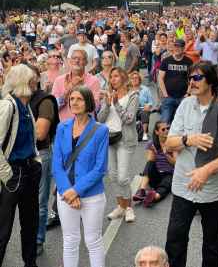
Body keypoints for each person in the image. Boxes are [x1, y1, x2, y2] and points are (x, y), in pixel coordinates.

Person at [164, 61, 218, 267]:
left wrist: (206, 170)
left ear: (210, 81)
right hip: (184, 187)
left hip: (214, 189)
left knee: (212, 244)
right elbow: (169, 142)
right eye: (190, 78)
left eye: (197, 77)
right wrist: (188, 139)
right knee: (175, 241)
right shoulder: (185, 104)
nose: (192, 81)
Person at [52, 86, 109, 267]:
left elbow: (100, 168)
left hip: (92, 195)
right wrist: (67, 191)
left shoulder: (101, 130)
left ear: (88, 102)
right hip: (65, 193)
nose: (74, 103)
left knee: (93, 241)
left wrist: (75, 190)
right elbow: (57, 164)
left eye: (79, 99)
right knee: (69, 240)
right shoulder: (62, 127)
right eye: (72, 99)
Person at [0, 64, 41, 267]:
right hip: (13, 173)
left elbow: (31, 141)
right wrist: (7, 174)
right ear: (24, 81)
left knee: (30, 224)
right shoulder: (8, 105)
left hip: (29, 170)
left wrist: (36, 162)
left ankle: (30, 263)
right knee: (3, 229)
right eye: (32, 78)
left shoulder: (25, 106)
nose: (36, 81)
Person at [97, 67, 139, 223]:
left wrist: (117, 104)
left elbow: (129, 119)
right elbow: (100, 119)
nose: (112, 79)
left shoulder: (133, 96)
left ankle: (128, 207)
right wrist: (108, 105)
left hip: (125, 140)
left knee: (122, 177)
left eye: (116, 76)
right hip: (108, 139)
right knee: (113, 176)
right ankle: (120, 206)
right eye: (111, 77)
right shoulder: (107, 95)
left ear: (123, 78)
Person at [27, 65, 60, 256]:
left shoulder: (44, 100)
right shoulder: (13, 99)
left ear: (37, 78)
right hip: (16, 157)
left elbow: (40, 133)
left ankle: (38, 239)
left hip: (40, 155)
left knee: (39, 201)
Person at [132, 120, 175, 207]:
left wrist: (165, 152)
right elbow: (150, 163)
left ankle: (154, 197)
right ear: (156, 132)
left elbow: (175, 163)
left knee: (166, 185)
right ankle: (142, 191)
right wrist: (154, 152)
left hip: (169, 173)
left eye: (168, 128)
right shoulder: (152, 144)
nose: (167, 130)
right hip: (156, 175)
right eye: (163, 129)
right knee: (149, 164)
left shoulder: (173, 142)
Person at [52, 49, 101, 121]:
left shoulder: (94, 81)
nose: (77, 61)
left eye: (80, 59)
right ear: (70, 61)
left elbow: (95, 107)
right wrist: (69, 89)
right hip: (65, 126)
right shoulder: (59, 80)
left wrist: (82, 91)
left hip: (86, 126)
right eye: (74, 58)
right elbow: (53, 106)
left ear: (86, 62)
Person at [158, 39, 193, 124]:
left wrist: (188, 94)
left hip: (183, 97)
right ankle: (164, 137)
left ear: (183, 48)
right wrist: (165, 94)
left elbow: (192, 79)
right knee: (164, 122)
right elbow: (160, 78)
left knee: (183, 122)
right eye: (175, 46)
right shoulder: (166, 61)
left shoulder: (189, 62)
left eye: (179, 47)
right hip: (168, 97)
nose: (177, 49)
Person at [129, 70, 156, 141]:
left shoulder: (145, 89)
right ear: (130, 80)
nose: (134, 80)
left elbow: (151, 102)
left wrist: (148, 105)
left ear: (139, 80)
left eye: (136, 78)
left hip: (142, 109)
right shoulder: (128, 90)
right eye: (132, 78)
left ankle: (144, 133)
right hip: (130, 110)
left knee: (144, 113)